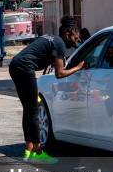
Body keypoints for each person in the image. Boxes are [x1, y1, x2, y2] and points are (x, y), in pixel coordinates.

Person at [9, 15, 86, 164]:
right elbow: (60, 73)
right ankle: (37, 152)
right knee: (33, 110)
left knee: (28, 109)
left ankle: (29, 150)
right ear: (68, 33)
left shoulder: (52, 39)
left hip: (15, 65)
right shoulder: (59, 44)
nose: (77, 38)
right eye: (76, 35)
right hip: (25, 68)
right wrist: (79, 67)